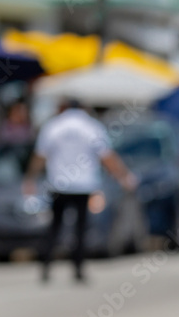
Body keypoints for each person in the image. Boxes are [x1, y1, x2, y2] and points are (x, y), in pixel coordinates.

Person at [23, 99, 136, 283]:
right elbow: (107, 157)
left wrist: (30, 178)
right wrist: (124, 176)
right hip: (84, 185)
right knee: (80, 229)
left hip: (58, 184)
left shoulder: (53, 126)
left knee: (54, 227)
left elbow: (40, 156)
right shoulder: (92, 127)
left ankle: (46, 266)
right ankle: (78, 268)